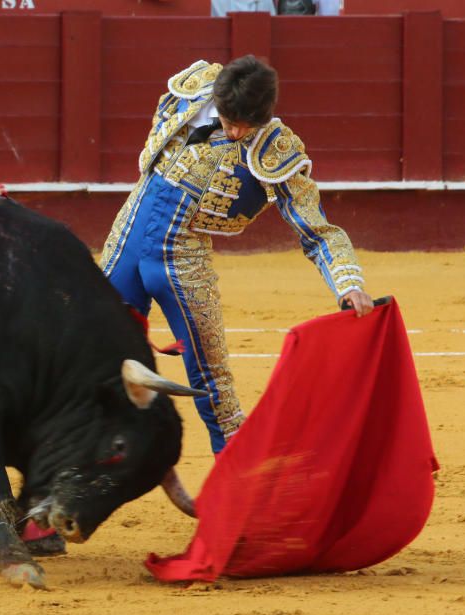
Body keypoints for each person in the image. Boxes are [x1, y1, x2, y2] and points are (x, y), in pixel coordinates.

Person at [99, 55, 374, 456]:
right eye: (230, 119)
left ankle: (242, 499)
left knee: (213, 386)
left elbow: (318, 230)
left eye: (247, 125)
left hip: (180, 259)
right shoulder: (191, 88)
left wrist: (350, 284)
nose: (236, 130)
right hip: (125, 237)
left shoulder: (275, 149)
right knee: (93, 353)